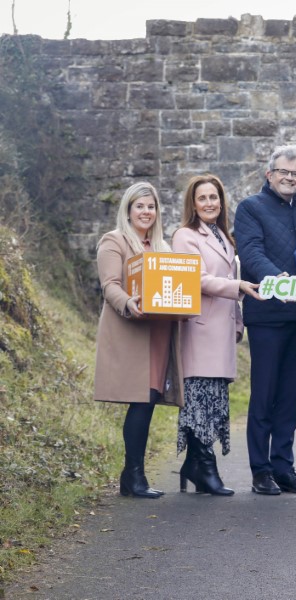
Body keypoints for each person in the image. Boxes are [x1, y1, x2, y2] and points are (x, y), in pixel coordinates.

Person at [172, 175, 263, 496]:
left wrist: (238, 323)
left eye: (215, 197)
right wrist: (238, 288)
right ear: (193, 204)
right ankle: (204, 468)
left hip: (222, 331)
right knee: (198, 401)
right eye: (203, 198)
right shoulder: (185, 236)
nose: (210, 203)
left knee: (214, 403)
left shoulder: (225, 237)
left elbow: (228, 275)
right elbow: (196, 279)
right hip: (198, 331)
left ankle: (195, 465)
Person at [233, 145, 296, 496]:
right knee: (265, 394)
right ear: (269, 174)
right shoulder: (250, 208)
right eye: (284, 172)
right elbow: (250, 252)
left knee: (291, 397)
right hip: (268, 315)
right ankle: (260, 469)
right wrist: (279, 281)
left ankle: (283, 467)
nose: (290, 178)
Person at [94, 182, 183, 499]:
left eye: (151, 207)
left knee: (147, 402)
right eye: (140, 206)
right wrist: (128, 303)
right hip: (132, 332)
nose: (146, 212)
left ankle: (132, 476)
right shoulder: (114, 241)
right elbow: (110, 285)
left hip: (159, 333)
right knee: (141, 402)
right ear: (128, 211)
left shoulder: (164, 249)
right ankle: (133, 476)